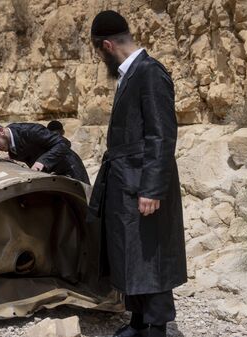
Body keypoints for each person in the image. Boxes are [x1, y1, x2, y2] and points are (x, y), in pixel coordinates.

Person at [88, 10, 186, 337]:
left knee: (150, 256)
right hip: (125, 181)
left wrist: (152, 189)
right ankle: (138, 322)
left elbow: (162, 134)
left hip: (142, 184)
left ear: (106, 45)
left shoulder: (150, 72)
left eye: (99, 52)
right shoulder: (130, 74)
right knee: (130, 254)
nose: (101, 58)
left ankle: (157, 328)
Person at [0, 121, 90, 184]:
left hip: (70, 168)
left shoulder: (29, 131)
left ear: (1, 131)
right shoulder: (8, 141)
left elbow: (63, 143)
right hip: (51, 176)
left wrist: (42, 162)